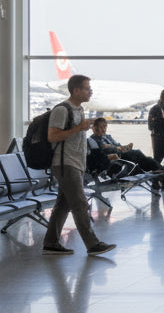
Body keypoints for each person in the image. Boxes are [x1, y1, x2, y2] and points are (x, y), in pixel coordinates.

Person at [41, 74, 116, 256]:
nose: (90, 91)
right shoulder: (62, 110)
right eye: (87, 88)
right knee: (80, 204)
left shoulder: (79, 110)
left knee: (63, 204)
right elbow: (52, 136)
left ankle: (50, 243)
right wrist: (78, 128)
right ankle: (92, 244)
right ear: (76, 90)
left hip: (76, 163)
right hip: (65, 163)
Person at [87, 117, 164, 177]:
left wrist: (122, 147)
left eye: (105, 127)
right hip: (116, 158)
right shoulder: (94, 138)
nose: (103, 129)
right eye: (101, 127)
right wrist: (118, 149)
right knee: (136, 153)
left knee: (145, 158)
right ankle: (157, 169)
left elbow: (117, 144)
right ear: (95, 128)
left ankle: (159, 169)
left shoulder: (107, 136)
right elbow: (104, 149)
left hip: (120, 153)